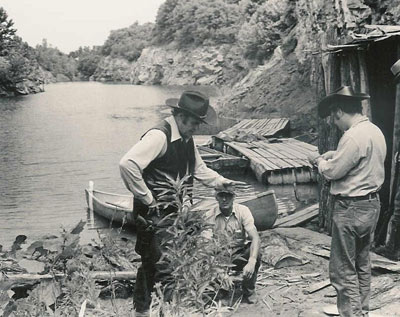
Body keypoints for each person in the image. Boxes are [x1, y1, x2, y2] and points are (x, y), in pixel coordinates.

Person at [119, 90, 243, 315]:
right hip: (152, 214)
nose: (198, 128)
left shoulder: (186, 138)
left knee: (153, 264)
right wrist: (148, 198)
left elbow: (199, 169)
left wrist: (221, 182)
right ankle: (160, 311)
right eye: (195, 122)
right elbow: (127, 164)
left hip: (172, 211)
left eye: (199, 123)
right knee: (162, 266)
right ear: (180, 116)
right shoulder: (159, 136)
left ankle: (142, 311)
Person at [308, 86, 386, 317]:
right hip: (371, 204)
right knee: (362, 261)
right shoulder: (373, 130)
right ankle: (360, 309)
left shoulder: (352, 136)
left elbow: (333, 173)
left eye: (333, 117)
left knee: (342, 268)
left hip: (351, 207)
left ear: (339, 111)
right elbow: (359, 160)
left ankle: (351, 313)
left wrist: (318, 161)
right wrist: (336, 153)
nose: (333, 122)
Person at [204, 186, 261, 304]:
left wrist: (252, 261)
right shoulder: (209, 215)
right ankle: (222, 288)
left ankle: (248, 290)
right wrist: (218, 270)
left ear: (234, 197)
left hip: (238, 254)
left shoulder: (243, 211)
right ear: (216, 197)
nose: (224, 199)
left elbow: (255, 237)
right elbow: (205, 244)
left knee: (255, 253)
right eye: (221, 196)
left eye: (228, 196)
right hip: (219, 256)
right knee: (203, 259)